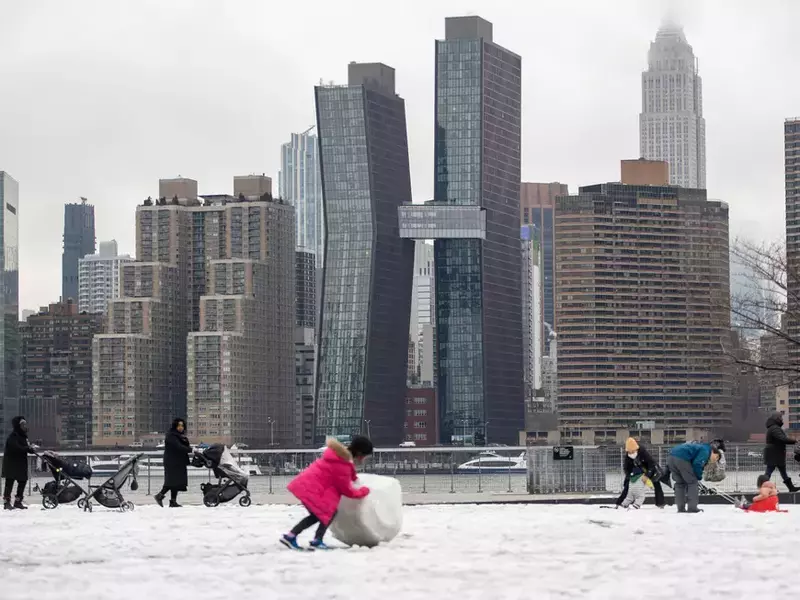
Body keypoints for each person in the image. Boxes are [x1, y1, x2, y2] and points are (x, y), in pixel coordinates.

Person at [281, 436, 373, 550]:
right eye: (364, 457)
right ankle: (295, 536)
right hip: (312, 489)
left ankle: (313, 539)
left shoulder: (340, 458)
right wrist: (364, 491)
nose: (363, 460)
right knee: (319, 515)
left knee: (325, 513)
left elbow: (345, 471)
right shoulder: (343, 465)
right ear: (359, 453)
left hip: (308, 486)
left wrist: (353, 477)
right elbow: (347, 490)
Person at [666, 439, 724, 513]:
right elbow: (697, 464)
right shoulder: (706, 450)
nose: (715, 460)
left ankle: (680, 508)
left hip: (671, 457)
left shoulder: (701, 447)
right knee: (693, 483)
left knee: (680, 484)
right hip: (682, 458)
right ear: (714, 452)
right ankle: (692, 508)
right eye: (716, 458)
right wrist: (698, 476)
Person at [616, 437, 665, 509]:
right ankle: (620, 503)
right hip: (636, 471)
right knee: (627, 485)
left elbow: (651, 465)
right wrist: (630, 476)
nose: (631, 453)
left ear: (636, 449)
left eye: (633, 451)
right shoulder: (628, 456)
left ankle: (660, 503)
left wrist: (647, 475)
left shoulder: (643, 452)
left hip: (649, 469)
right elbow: (626, 468)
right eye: (629, 452)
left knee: (656, 483)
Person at [154, 418, 193, 508]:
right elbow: (178, 447)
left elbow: (184, 446)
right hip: (172, 462)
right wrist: (191, 449)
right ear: (175, 426)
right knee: (171, 481)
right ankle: (159, 496)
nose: (181, 427)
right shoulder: (171, 435)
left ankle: (173, 501)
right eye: (179, 425)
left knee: (176, 482)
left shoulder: (181, 436)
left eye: (182, 425)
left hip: (179, 461)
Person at [3, 416, 35, 510]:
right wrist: (27, 448)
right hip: (11, 463)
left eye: (25, 424)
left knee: (23, 481)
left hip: (21, 463)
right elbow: (16, 448)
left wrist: (31, 449)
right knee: (9, 483)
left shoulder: (24, 437)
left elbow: (25, 448)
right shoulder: (13, 436)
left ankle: (18, 501)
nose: (25, 426)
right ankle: (6, 502)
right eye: (23, 424)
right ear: (18, 426)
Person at [763, 412, 799, 492]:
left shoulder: (773, 428)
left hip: (775, 453)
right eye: (781, 418)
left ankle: (791, 487)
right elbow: (782, 438)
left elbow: (781, 438)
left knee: (781, 472)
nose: (782, 419)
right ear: (777, 419)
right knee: (769, 471)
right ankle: (763, 488)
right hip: (774, 454)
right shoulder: (775, 428)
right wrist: (794, 441)